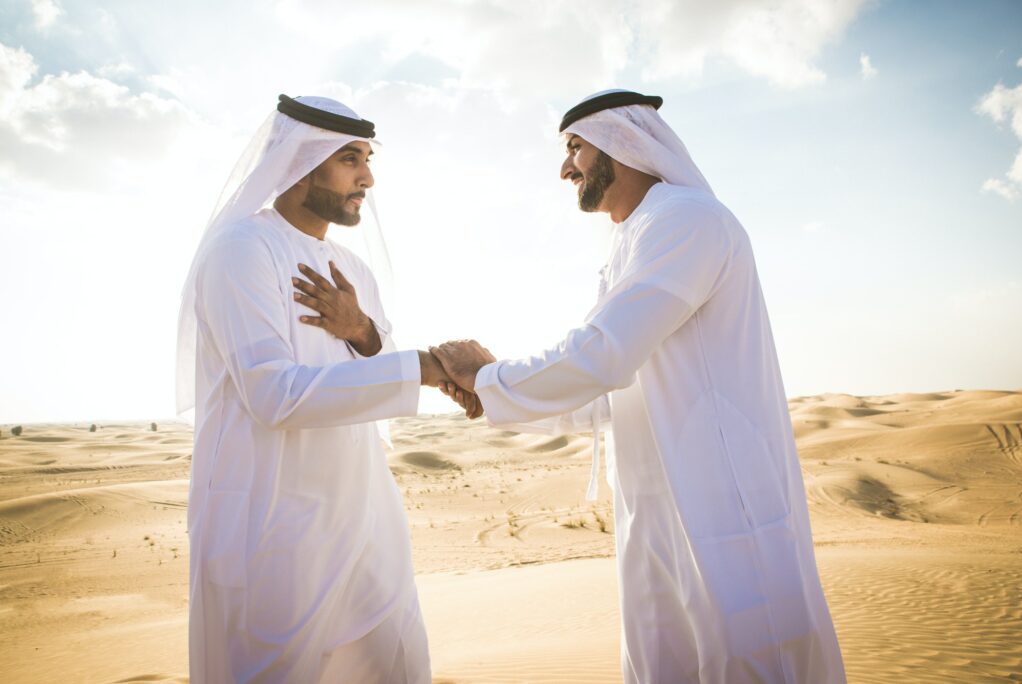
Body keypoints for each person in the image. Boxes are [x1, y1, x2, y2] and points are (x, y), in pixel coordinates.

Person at [430, 90, 847, 683]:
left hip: (721, 500)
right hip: (654, 513)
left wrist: (489, 377)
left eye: (575, 148)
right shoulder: (636, 237)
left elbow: (603, 355)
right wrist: (494, 396)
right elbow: (610, 391)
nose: (565, 168)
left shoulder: (686, 220)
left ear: (622, 146)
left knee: (749, 660)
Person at [176, 94, 465, 683]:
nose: (368, 178)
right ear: (301, 162)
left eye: (367, 159)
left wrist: (361, 329)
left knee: (395, 665)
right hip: (275, 521)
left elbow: (373, 352)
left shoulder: (352, 269)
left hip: (363, 512)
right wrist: (427, 367)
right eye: (351, 160)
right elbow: (273, 395)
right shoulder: (241, 250)